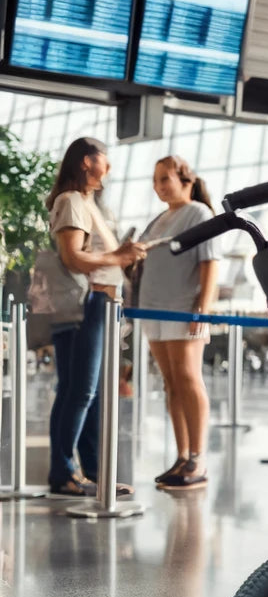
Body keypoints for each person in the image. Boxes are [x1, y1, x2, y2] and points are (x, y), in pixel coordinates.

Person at [45, 137, 147, 497]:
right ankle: (63, 472)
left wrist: (122, 258)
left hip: (102, 306)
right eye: (105, 159)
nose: (110, 167)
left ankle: (92, 473)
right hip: (85, 307)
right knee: (81, 392)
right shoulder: (71, 201)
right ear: (87, 162)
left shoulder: (89, 204)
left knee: (88, 393)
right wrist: (118, 258)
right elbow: (73, 257)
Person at [137, 155, 219, 490]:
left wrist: (202, 308)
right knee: (171, 382)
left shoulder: (199, 213)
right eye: (156, 181)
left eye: (165, 179)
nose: (159, 187)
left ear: (186, 179)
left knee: (188, 378)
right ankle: (183, 455)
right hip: (152, 308)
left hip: (183, 307)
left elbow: (210, 263)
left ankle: (198, 459)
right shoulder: (159, 218)